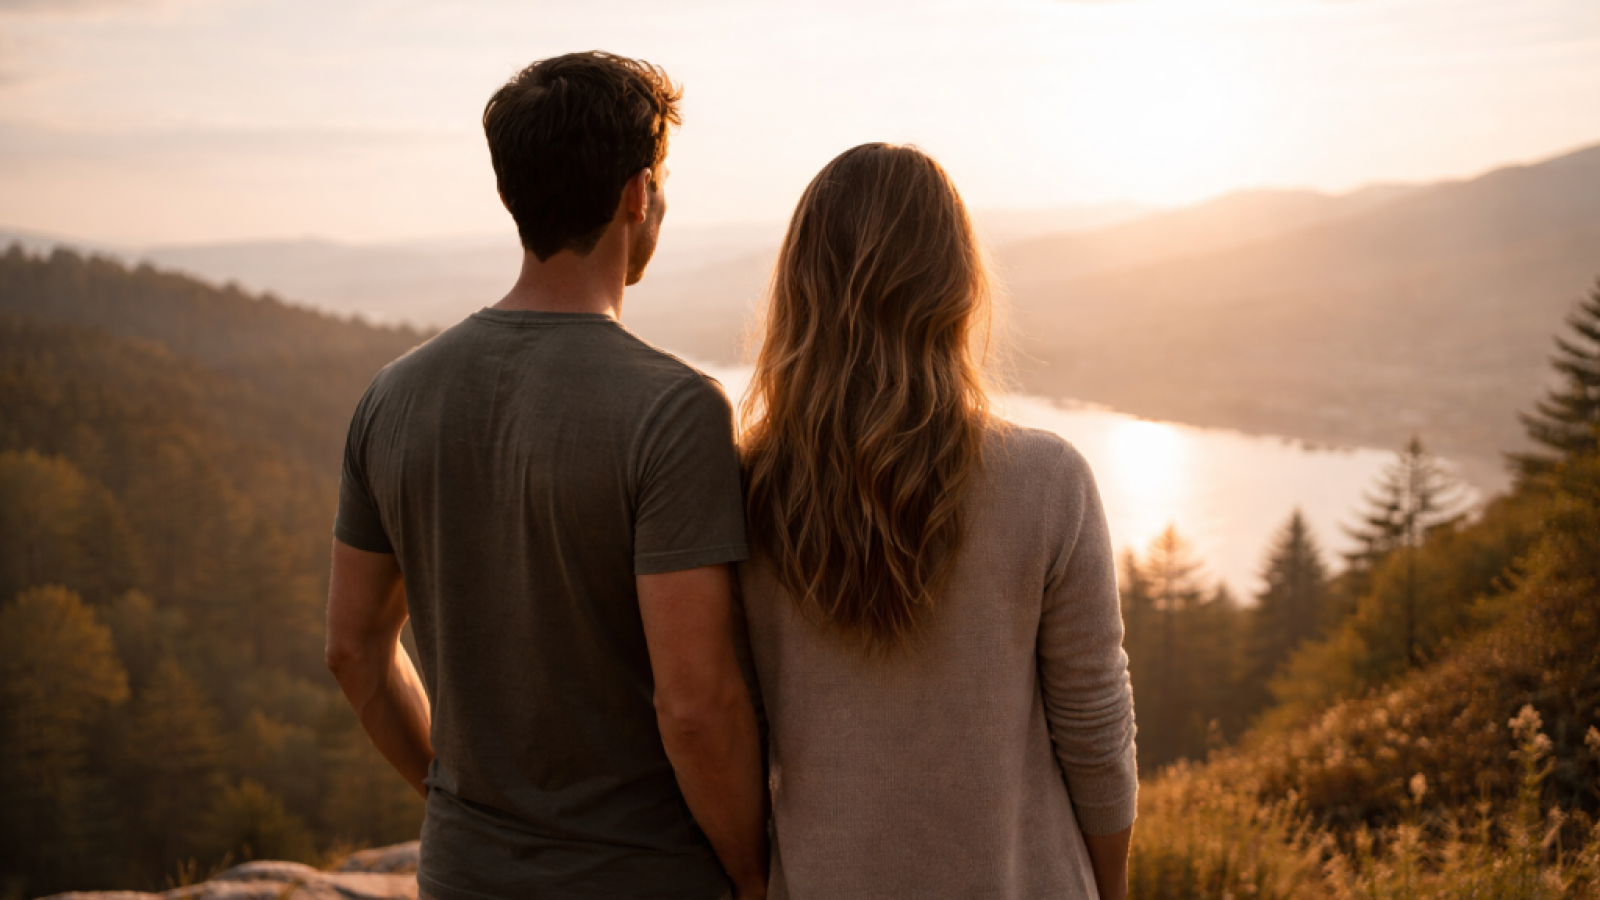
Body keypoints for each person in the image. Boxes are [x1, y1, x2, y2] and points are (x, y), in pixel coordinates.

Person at [325, 52, 768, 900]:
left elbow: (352, 651)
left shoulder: (392, 396)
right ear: (639, 195)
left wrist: (456, 803)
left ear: (512, 193)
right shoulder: (673, 411)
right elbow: (696, 708)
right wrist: (752, 875)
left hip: (461, 873)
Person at [736, 143, 1139, 900]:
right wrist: (1110, 887)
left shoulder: (743, 491)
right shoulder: (1047, 482)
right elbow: (1096, 736)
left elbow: (725, 728)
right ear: (958, 287)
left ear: (799, 291)